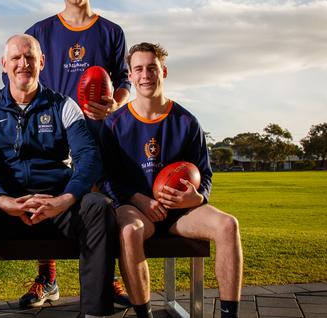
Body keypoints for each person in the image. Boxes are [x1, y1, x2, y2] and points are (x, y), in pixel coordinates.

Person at [0, 34, 117, 318]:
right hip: (6, 208)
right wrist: (2, 199)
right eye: (15, 58)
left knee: (98, 207)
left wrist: (65, 199)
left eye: (29, 57)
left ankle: (95, 313)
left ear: (42, 62)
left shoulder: (63, 105)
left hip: (56, 207)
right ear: (4, 64)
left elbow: (88, 157)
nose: (23, 64)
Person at [15, 0, 132, 308]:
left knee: (99, 200)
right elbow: (24, 74)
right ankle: (48, 279)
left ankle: (107, 279)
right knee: (43, 192)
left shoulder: (111, 31)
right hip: (50, 130)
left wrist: (114, 104)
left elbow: (124, 81)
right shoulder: (40, 30)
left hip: (96, 130)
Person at [100, 42, 243, 318]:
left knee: (228, 225)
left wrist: (197, 197)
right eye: (138, 69)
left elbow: (206, 174)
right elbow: (106, 177)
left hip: (181, 212)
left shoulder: (187, 121)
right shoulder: (114, 124)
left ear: (163, 71)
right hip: (137, 209)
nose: (145, 75)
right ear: (129, 76)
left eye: (152, 68)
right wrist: (137, 198)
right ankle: (145, 315)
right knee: (129, 232)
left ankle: (229, 314)